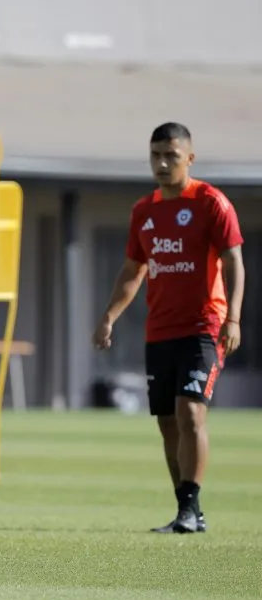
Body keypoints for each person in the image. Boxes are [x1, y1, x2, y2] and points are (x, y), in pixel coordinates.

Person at [93, 122, 244, 534]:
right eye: (155, 155)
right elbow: (133, 270)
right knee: (167, 422)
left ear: (189, 158)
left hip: (204, 326)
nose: (161, 163)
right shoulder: (144, 211)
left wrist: (233, 319)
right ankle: (187, 511)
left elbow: (234, 260)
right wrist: (109, 316)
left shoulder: (211, 202)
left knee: (190, 411)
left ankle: (190, 509)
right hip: (160, 331)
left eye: (171, 156)